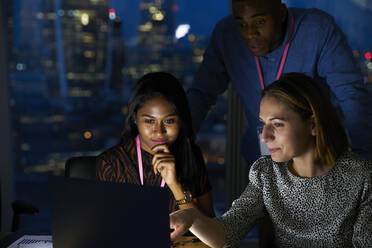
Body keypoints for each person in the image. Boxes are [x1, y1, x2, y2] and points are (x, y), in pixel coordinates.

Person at [170, 73, 372, 247]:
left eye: (277, 124)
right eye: (263, 124)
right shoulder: (266, 173)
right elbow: (227, 231)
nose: (265, 137)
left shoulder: (361, 176)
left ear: (313, 125)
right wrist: (192, 217)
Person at [187, 0, 372, 165]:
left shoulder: (317, 30)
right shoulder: (226, 35)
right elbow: (201, 94)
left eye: (260, 22)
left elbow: (352, 95)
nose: (250, 33)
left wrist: (364, 161)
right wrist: (176, 144)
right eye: (242, 24)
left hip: (314, 163)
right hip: (259, 162)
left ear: (282, 13)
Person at [96, 72, 215, 217]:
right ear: (135, 118)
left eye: (169, 121)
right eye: (149, 121)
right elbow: (106, 229)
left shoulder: (190, 155)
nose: (159, 132)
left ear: (180, 121)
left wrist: (175, 185)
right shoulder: (112, 163)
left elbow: (209, 230)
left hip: (179, 241)